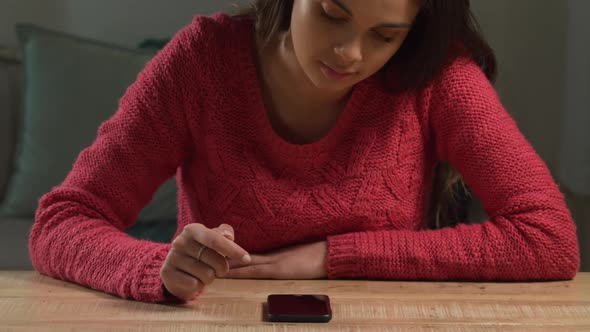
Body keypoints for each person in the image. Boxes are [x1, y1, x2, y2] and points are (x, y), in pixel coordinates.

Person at [29, 0, 580, 303]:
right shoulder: (200, 64)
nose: (350, 52)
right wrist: (157, 270)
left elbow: (549, 237)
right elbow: (62, 220)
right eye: (332, 13)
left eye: (384, 36)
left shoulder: (438, 78)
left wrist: (331, 257)